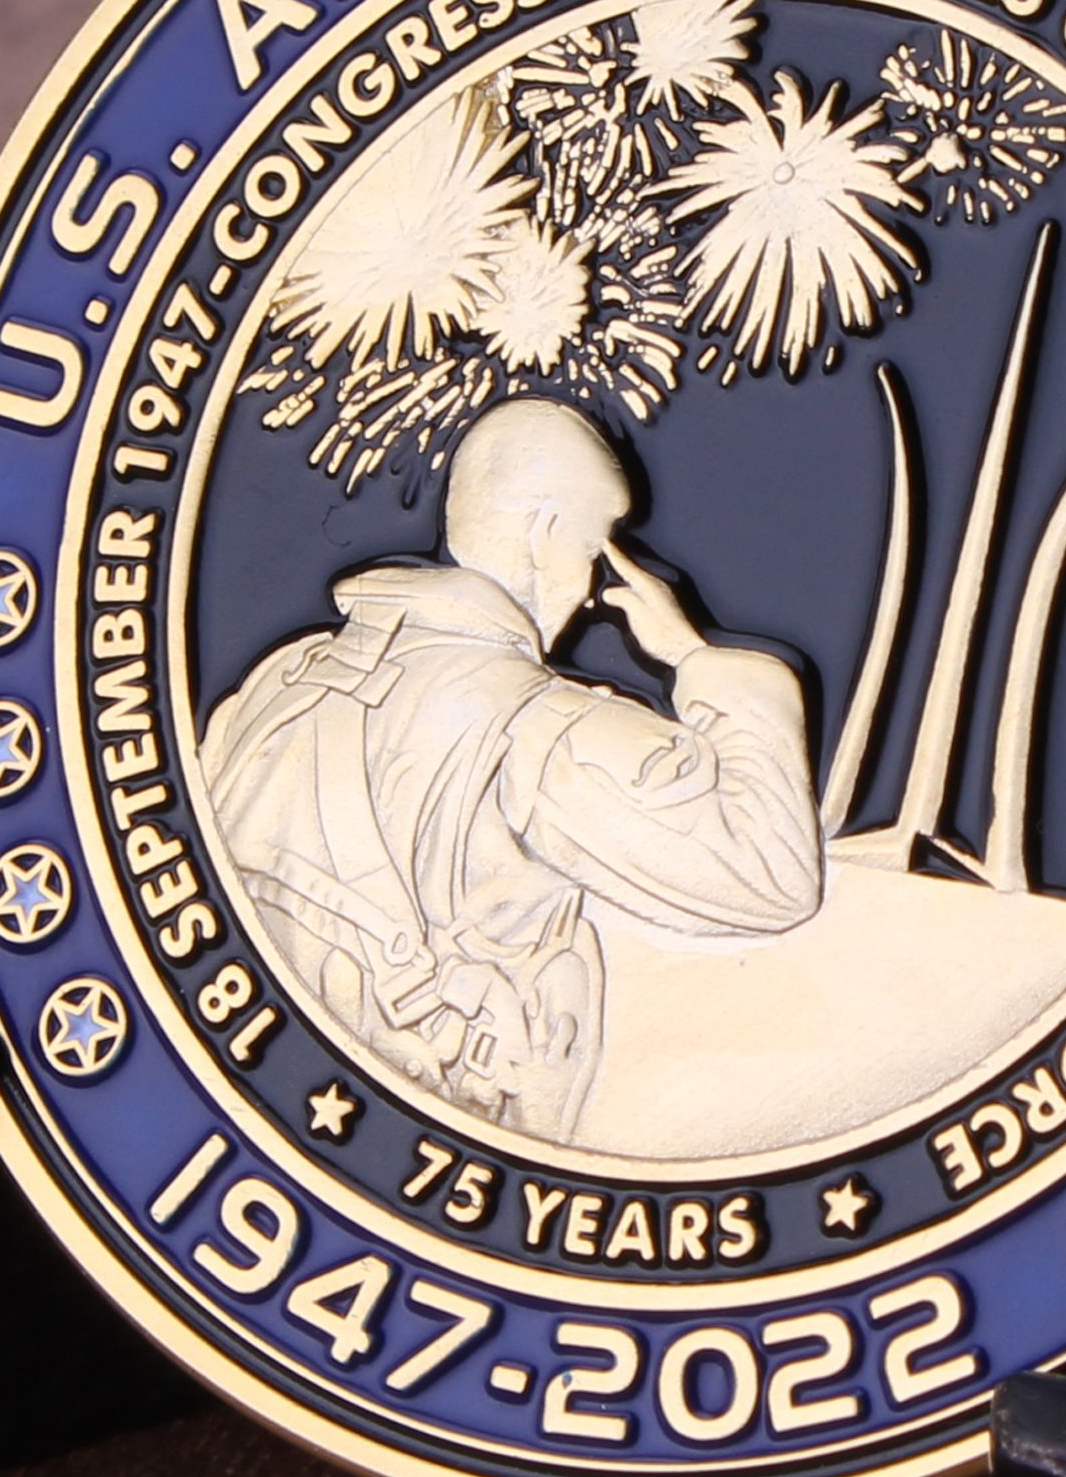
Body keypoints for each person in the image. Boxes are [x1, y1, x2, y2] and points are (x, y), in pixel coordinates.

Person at [200, 400, 821, 1141]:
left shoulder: (281, 678)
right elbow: (771, 876)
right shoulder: (543, 730)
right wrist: (696, 660)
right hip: (445, 1143)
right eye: (592, 547)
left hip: (260, 1100)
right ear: (546, 532)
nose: (590, 590)